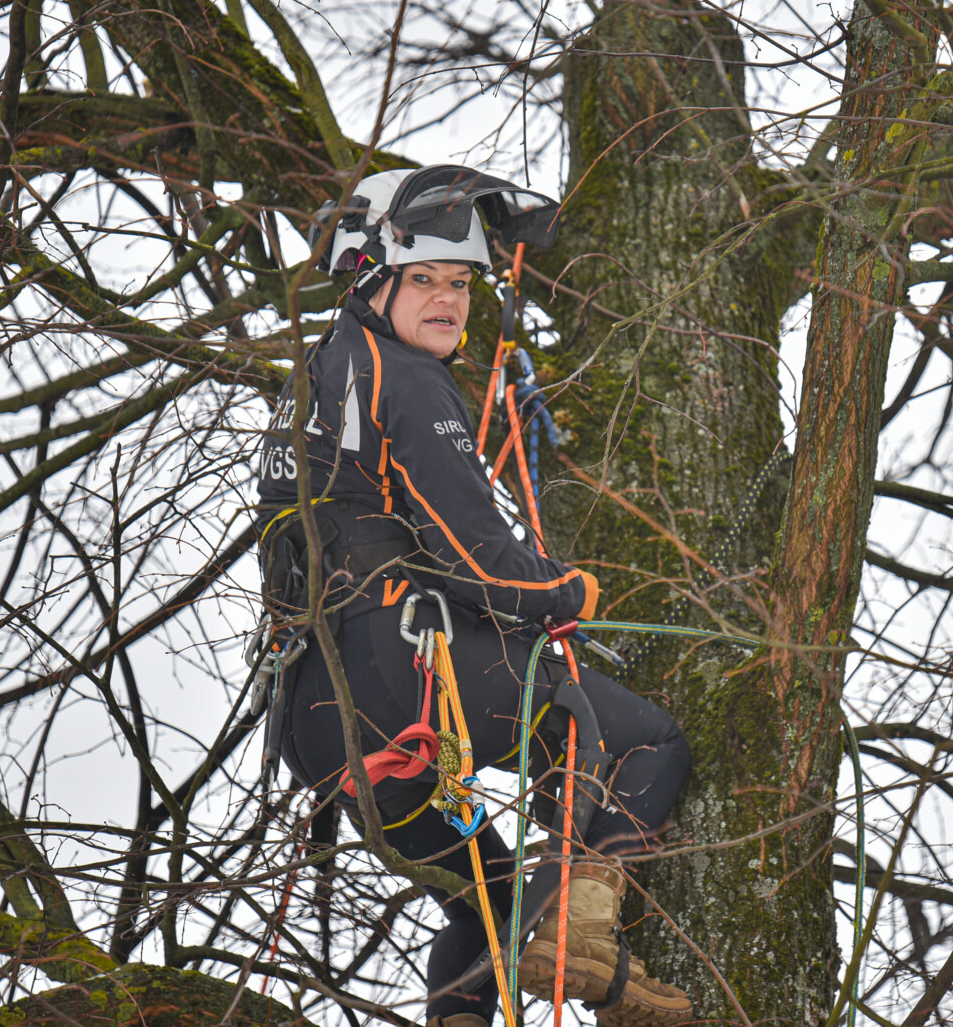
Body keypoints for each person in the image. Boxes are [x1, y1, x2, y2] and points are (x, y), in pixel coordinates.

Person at [255, 165, 695, 1027]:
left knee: (489, 902)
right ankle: (583, 934)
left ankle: (469, 1009)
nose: (449, 301)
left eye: (460, 283)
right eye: (423, 280)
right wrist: (565, 590)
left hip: (317, 723)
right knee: (648, 743)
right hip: (404, 668)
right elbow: (480, 559)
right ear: (370, 280)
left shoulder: (316, 377)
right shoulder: (406, 379)